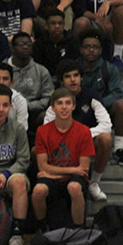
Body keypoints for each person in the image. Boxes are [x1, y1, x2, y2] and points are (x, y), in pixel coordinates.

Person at [45, 59, 112, 202]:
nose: (73, 80)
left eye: (76, 75)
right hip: (62, 145)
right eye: (68, 76)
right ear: (62, 80)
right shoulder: (56, 99)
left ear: (81, 77)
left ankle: (93, 183)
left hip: (86, 144)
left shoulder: (92, 97)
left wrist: (82, 135)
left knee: (105, 139)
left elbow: (106, 124)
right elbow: (47, 128)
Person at [32, 87, 94, 228]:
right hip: (63, 175)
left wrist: (52, 174)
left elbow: (83, 169)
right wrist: (73, 170)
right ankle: (43, 227)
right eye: (60, 103)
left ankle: (79, 230)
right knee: (38, 190)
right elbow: (42, 167)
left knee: (74, 186)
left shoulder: (84, 132)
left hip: (70, 179)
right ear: (53, 107)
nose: (64, 107)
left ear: (74, 106)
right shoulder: (42, 131)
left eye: (67, 103)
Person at [77, 30, 123, 166]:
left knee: (122, 105)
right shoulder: (73, 67)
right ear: (81, 50)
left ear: (101, 50)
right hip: (77, 111)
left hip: (102, 111)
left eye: (95, 47)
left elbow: (117, 93)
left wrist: (97, 104)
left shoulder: (109, 69)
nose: (91, 50)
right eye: (87, 47)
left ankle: (118, 149)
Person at [0, 83, 30, 245]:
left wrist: (5, 175)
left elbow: (24, 159)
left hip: (10, 175)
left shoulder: (18, 129)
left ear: (10, 106)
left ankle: (17, 235)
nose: (1, 109)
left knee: (19, 181)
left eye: (5, 105)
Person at [7, 32, 52, 127]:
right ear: (12, 48)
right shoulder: (3, 70)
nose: (25, 47)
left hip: (35, 112)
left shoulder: (41, 71)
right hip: (9, 110)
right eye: (21, 44)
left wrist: (28, 106)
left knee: (49, 115)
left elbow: (48, 97)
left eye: (28, 44)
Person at [32, 7, 80, 76]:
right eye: (53, 23)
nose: (57, 26)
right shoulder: (39, 44)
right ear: (46, 26)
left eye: (60, 23)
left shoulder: (73, 41)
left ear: (64, 25)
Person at [0, 63, 28, 130]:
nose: (1, 82)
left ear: (12, 82)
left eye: (5, 79)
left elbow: (22, 130)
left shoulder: (20, 101)